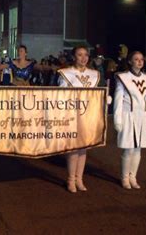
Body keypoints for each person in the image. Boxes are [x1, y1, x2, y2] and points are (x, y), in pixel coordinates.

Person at [57, 45, 101, 193]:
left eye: (86, 55)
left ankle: (79, 179)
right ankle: (70, 180)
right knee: (73, 148)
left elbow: (95, 95)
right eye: (80, 55)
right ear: (74, 57)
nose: (83, 58)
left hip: (87, 115)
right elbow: (61, 96)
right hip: (72, 115)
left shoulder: (93, 74)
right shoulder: (66, 74)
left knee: (83, 148)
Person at [113, 51, 146, 189]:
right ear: (130, 61)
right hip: (128, 116)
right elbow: (118, 100)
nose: (139, 61)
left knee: (138, 150)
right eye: (136, 59)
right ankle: (125, 178)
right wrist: (117, 119)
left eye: (141, 59)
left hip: (142, 117)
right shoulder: (123, 77)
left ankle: (133, 177)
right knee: (129, 149)